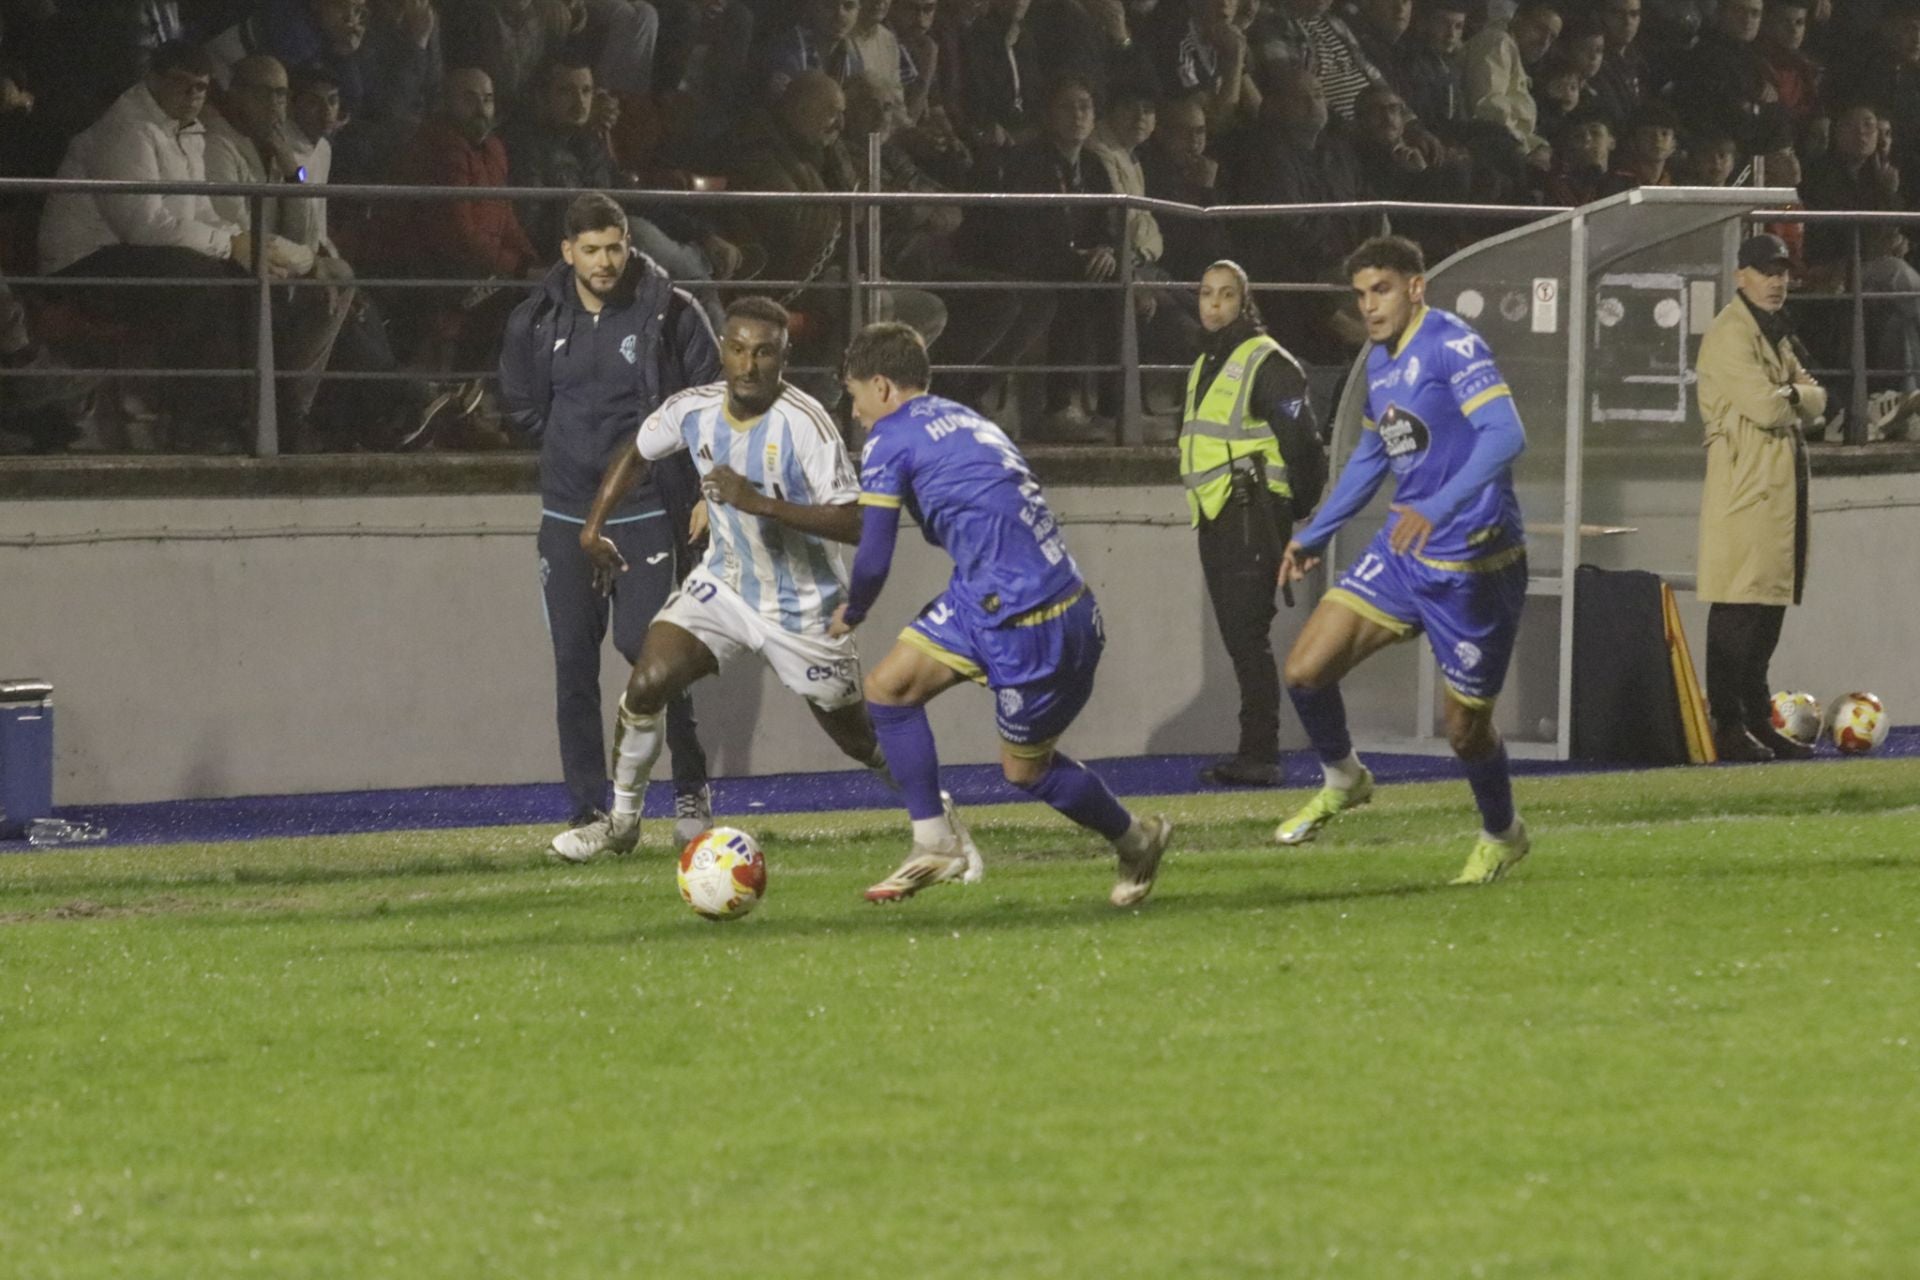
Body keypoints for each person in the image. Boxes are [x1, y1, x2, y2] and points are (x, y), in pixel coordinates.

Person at [573, 296, 982, 872]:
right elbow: (636, 452)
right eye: (738, 349)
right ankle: (619, 824)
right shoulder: (692, 409)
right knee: (648, 681)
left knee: (858, 739)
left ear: (783, 358)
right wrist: (594, 528)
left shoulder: (806, 424)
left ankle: (936, 816)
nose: (748, 364)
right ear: (723, 350)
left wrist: (758, 503)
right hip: (726, 585)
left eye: (764, 352)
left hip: (804, 608)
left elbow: (858, 520)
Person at [829, 322, 1174, 907]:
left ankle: (1137, 838)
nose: (856, 413)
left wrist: (854, 609)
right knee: (887, 691)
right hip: (994, 597)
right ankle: (935, 842)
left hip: (1034, 621)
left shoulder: (889, 438)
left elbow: (874, 550)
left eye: (856, 395)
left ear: (882, 386)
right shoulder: (966, 419)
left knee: (1025, 772)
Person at [1273, 235, 1532, 886]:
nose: (1369, 306)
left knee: (1464, 732)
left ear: (1416, 287)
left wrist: (1438, 506)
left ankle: (1502, 834)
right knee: (1305, 670)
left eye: (1381, 289)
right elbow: (1372, 458)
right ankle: (1345, 778)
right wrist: (1315, 534)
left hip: (1474, 563)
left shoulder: (1451, 343)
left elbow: (1507, 434)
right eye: (1360, 295)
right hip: (1403, 550)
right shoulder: (1380, 363)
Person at [496, 193, 713, 859]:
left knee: (646, 655)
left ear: (628, 243)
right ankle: (593, 812)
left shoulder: (671, 310)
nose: (604, 261)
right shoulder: (535, 319)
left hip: (646, 510)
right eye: (590, 250)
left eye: (614, 247)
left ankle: (689, 788)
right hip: (565, 514)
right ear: (567, 252)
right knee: (571, 667)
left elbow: (710, 399)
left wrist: (705, 487)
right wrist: (573, 456)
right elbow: (524, 406)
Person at [1184, 261, 1326, 787]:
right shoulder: (1206, 363)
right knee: (1242, 638)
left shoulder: (1266, 361)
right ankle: (1256, 750)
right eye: (1205, 294)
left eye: (1225, 295)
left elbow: (1305, 443)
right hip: (1219, 514)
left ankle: (1260, 753)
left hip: (1251, 513)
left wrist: (1297, 508)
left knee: (1248, 637)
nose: (1213, 304)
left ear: (1244, 302)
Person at [1694, 233, 1825, 762]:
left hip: (1773, 489)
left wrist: (1795, 395)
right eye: (1767, 271)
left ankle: (1754, 718)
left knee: (1766, 609)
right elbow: (1770, 408)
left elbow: (1815, 397)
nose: (1778, 282)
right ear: (1740, 276)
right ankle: (1728, 724)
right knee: (1738, 609)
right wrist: (1797, 395)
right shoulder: (1730, 335)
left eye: (1783, 272)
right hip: (1746, 489)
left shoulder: (1773, 334)